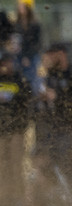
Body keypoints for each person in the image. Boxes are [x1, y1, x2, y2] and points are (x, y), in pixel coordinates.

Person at [0, 53, 30, 206]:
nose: (4, 66)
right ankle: (1, 198)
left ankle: (19, 197)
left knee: (16, 164)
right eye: (1, 63)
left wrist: (23, 126)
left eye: (7, 62)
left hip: (16, 129)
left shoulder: (20, 80)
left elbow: (27, 103)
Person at [37, 43, 72, 180]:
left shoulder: (70, 75)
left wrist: (57, 97)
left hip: (68, 129)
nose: (49, 57)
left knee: (66, 164)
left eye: (52, 53)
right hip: (52, 129)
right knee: (42, 164)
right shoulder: (50, 75)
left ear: (61, 54)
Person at [13, 2, 42, 84]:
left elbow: (37, 43)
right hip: (19, 55)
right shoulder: (16, 25)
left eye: (22, 7)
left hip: (32, 55)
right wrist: (22, 56)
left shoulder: (35, 24)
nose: (20, 9)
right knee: (19, 77)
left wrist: (28, 56)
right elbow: (16, 42)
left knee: (34, 77)